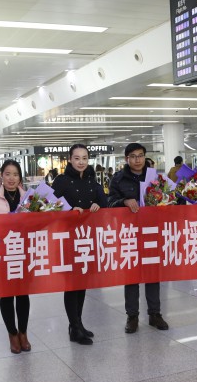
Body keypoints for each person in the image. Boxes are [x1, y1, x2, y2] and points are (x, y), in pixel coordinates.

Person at [108, 143, 169, 333]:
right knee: (131, 274)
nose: (137, 160)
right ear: (127, 159)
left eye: (140, 155)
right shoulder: (118, 179)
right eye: (133, 156)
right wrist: (124, 202)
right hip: (129, 232)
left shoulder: (155, 178)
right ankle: (132, 316)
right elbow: (109, 203)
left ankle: (155, 314)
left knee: (152, 273)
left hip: (151, 231)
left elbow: (168, 199)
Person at [52, 144, 107, 345]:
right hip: (68, 238)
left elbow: (105, 201)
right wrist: (68, 210)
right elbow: (50, 206)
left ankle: (78, 324)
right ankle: (74, 327)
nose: (81, 162)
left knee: (82, 282)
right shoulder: (61, 181)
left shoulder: (92, 180)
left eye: (84, 158)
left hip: (87, 238)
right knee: (71, 284)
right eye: (77, 158)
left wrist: (99, 204)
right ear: (70, 159)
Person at [0, 160, 31, 354]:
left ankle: (23, 333)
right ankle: (12, 334)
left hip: (23, 250)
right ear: (1, 176)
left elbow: (37, 222)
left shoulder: (28, 197)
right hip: (2, 252)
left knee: (23, 293)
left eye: (15, 174)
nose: (11, 178)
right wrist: (7, 221)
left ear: (20, 177)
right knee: (7, 294)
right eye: (8, 174)